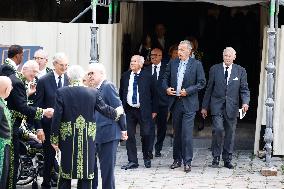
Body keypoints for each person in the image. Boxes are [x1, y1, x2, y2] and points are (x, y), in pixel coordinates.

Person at [50, 65, 125, 189]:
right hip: (87, 139)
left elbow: (57, 117)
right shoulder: (92, 92)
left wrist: (54, 138)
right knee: (86, 174)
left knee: (65, 173)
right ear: (82, 77)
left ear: (68, 77)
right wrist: (118, 112)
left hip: (68, 138)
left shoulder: (61, 92)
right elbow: (105, 110)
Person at [0, 52, 53, 188]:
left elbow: (18, 103)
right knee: (11, 164)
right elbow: (22, 107)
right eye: (33, 72)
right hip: (10, 129)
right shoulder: (17, 82)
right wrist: (43, 112)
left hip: (13, 128)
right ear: (24, 69)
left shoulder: (18, 80)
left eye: (36, 72)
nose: (35, 75)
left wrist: (27, 94)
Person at [201, 47, 250, 169]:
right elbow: (209, 88)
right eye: (225, 56)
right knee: (217, 129)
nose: (227, 58)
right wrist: (204, 107)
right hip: (217, 105)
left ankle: (227, 159)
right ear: (223, 56)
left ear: (234, 57)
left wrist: (245, 102)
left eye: (230, 56)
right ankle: (216, 157)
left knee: (230, 133)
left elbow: (244, 89)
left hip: (232, 107)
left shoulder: (240, 71)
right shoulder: (214, 69)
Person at [162, 40, 206, 173]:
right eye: (178, 50)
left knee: (186, 134)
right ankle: (177, 160)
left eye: (182, 50)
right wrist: (166, 89)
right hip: (175, 103)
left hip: (189, 103)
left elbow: (202, 82)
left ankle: (188, 162)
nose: (179, 52)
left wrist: (188, 91)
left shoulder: (197, 64)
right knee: (177, 133)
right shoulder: (173, 63)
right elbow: (165, 78)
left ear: (189, 51)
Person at [86, 63, 127, 189]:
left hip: (108, 134)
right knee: (92, 170)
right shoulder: (93, 88)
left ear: (102, 74)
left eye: (92, 73)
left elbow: (118, 108)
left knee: (107, 171)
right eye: (89, 73)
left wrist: (124, 129)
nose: (90, 76)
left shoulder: (108, 86)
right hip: (96, 134)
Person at [34, 52, 70, 189]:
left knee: (65, 156)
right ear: (54, 65)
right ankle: (46, 183)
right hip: (48, 126)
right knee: (49, 157)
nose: (64, 68)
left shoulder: (69, 78)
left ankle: (63, 182)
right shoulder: (43, 81)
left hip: (65, 125)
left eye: (67, 65)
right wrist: (39, 128)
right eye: (62, 65)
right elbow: (37, 105)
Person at [120, 55, 157, 169]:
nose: (132, 63)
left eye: (135, 61)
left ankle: (146, 157)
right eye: (131, 61)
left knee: (146, 134)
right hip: (129, 109)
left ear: (140, 64)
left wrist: (154, 110)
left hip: (144, 109)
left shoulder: (148, 76)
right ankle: (132, 161)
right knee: (129, 135)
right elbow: (122, 92)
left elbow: (155, 94)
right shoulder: (125, 76)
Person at [144, 48, 169, 157]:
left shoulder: (167, 69)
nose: (153, 57)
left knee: (162, 127)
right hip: (150, 104)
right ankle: (149, 150)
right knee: (150, 127)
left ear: (161, 57)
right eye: (152, 55)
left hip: (163, 103)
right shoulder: (146, 70)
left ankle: (158, 148)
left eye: (156, 55)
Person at [0, 76, 13, 189]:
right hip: (1, 146)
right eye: (10, 86)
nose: (12, 88)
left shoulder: (2, 103)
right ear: (5, 89)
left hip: (6, 145)